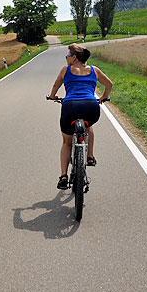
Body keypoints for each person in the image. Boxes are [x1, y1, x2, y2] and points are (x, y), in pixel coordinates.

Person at [48, 43, 113, 190]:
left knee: (66, 142)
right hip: (91, 107)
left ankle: (63, 176)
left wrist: (53, 96)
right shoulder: (94, 70)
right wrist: (103, 97)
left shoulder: (66, 70)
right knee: (88, 126)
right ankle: (90, 156)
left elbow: (55, 86)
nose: (66, 58)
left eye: (67, 56)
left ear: (74, 58)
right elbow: (109, 84)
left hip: (70, 106)